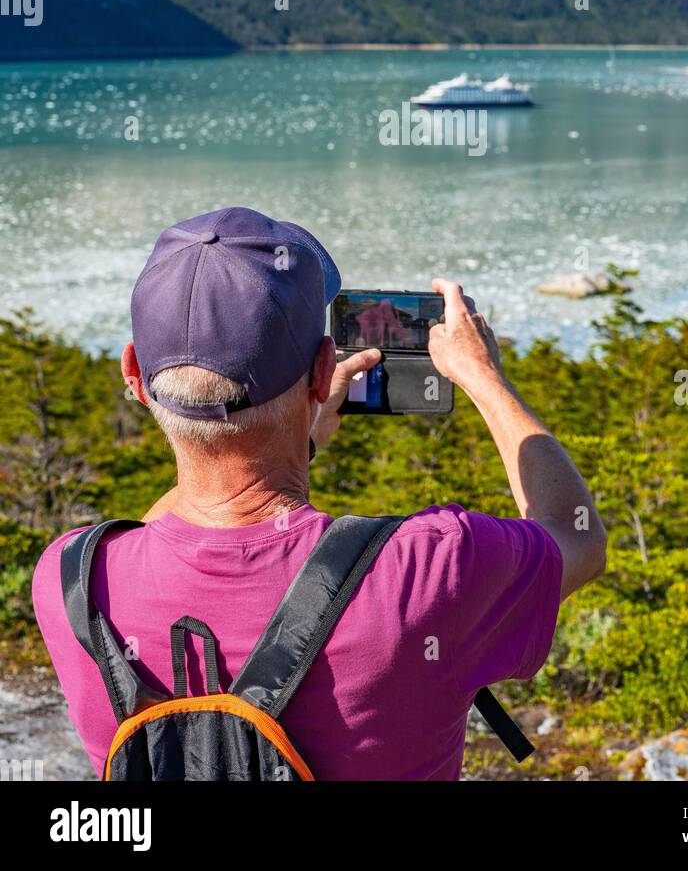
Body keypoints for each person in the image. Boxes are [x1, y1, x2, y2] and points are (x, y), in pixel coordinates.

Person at [32, 206, 606, 781]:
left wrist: (291, 440)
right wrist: (484, 376)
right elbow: (578, 535)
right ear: (324, 370)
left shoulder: (70, 582)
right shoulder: (428, 568)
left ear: (134, 375)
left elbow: (163, 530)